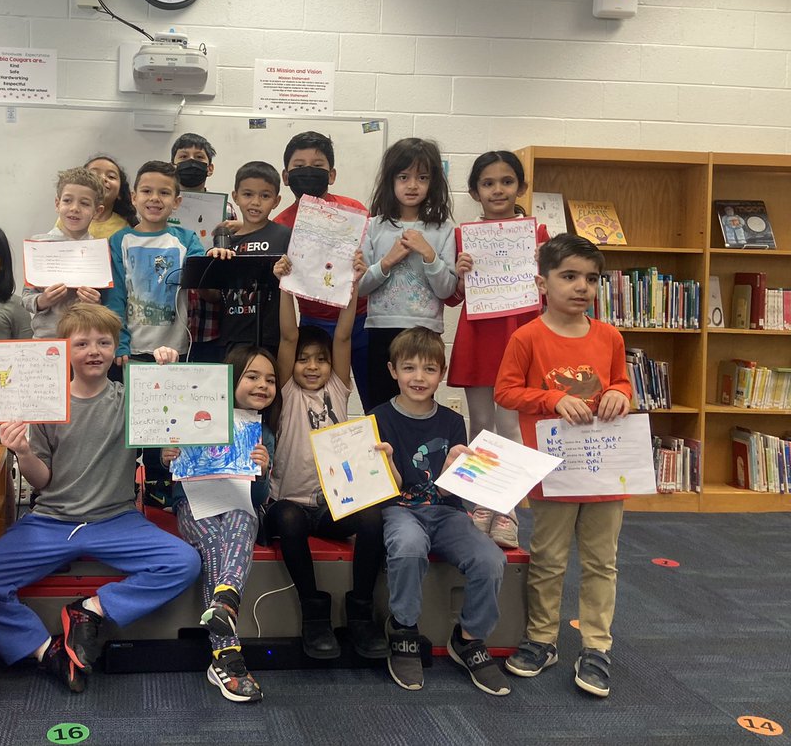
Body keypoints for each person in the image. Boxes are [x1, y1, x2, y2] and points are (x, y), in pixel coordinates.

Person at [0, 304, 201, 692]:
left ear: (116, 348)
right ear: (64, 350)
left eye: (104, 342)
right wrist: (22, 453)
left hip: (117, 520)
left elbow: (177, 412)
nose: (93, 350)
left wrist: (168, 372)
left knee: (184, 562)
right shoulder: (46, 406)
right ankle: (45, 651)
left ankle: (88, 611)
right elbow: (44, 481)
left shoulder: (131, 399)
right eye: (82, 342)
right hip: (53, 520)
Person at [495, 233, 632, 698]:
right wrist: (553, 398)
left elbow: (622, 385)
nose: (581, 287)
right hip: (552, 469)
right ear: (542, 282)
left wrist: (619, 393)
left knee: (601, 561)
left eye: (591, 279)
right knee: (549, 559)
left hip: (604, 467)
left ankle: (596, 646)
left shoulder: (609, 335)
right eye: (569, 276)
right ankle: (541, 639)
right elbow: (506, 392)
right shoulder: (527, 337)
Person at [264, 250, 387, 661]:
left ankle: (361, 610)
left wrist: (352, 285)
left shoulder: (338, 388)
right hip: (294, 503)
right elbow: (286, 337)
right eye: (304, 360)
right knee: (286, 517)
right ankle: (313, 612)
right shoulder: (286, 394)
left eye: (320, 360)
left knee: (374, 517)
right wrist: (286, 287)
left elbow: (344, 337)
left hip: (336, 502)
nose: (313, 366)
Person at [374, 328, 510, 696]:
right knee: (407, 546)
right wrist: (386, 462)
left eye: (429, 370)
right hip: (400, 509)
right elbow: (392, 487)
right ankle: (403, 630)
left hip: (445, 511)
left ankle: (468, 638)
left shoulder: (452, 421)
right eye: (409, 368)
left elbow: (449, 491)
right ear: (392, 370)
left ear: (442, 373)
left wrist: (452, 469)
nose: (419, 378)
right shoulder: (379, 417)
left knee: (490, 559)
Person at [160, 344, 279, 703]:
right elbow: (172, 479)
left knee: (244, 516)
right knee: (214, 540)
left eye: (270, 380)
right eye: (252, 376)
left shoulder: (263, 433)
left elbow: (257, 500)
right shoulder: (196, 416)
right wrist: (167, 458)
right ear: (229, 380)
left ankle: (225, 636)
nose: (262, 385)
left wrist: (262, 472)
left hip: (239, 507)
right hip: (195, 507)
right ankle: (226, 631)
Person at [447, 151, 550, 549]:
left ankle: (506, 509)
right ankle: (479, 506)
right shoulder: (463, 236)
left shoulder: (537, 235)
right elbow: (454, 298)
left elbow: (549, 295)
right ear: (475, 191)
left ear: (520, 187)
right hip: (479, 338)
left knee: (511, 428)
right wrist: (460, 274)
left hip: (520, 338)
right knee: (480, 424)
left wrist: (543, 269)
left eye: (506, 182)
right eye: (488, 183)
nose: (498, 190)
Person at [273, 131, 373, 409]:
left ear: (332, 174)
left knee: (374, 398)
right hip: (313, 323)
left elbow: (373, 260)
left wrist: (363, 266)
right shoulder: (280, 225)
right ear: (285, 176)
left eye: (317, 167)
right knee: (316, 402)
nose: (308, 172)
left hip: (362, 318)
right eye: (299, 166)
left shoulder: (354, 211)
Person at [358, 137, 456, 409]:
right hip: (381, 329)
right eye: (404, 177)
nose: (412, 185)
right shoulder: (373, 226)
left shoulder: (443, 229)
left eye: (422, 177)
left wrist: (429, 255)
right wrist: (387, 262)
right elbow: (359, 287)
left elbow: (447, 289)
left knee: (419, 404)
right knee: (380, 406)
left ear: (432, 182)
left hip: (425, 330)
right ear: (391, 180)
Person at [105, 160, 205, 363]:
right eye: (147, 191)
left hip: (175, 350)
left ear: (176, 202)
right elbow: (115, 297)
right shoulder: (119, 241)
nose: (155, 198)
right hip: (131, 349)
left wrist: (217, 256)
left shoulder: (187, 239)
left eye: (164, 193)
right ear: (134, 197)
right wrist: (120, 342)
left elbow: (203, 276)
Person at [207, 161, 292, 357]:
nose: (255, 202)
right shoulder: (225, 243)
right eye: (248, 194)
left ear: (276, 201)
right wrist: (209, 268)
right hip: (231, 336)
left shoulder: (283, 235)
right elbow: (214, 295)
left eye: (265, 196)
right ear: (235, 196)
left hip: (271, 337)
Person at [170, 132, 232, 363]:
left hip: (211, 320)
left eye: (199, 157)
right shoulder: (161, 208)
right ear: (172, 165)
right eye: (183, 156)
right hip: (170, 319)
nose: (191, 162)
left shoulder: (227, 212)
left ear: (210, 168)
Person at [23, 167, 106, 338]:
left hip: (85, 339)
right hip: (46, 338)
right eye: (68, 200)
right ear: (57, 204)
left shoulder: (100, 251)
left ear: (97, 211)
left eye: (84, 203)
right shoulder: (40, 245)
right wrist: (43, 300)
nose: (75, 208)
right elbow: (26, 297)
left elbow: (109, 301)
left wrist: (96, 302)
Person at [83, 154, 138, 239]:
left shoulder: (125, 228)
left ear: (120, 193)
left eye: (111, 176)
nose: (102, 178)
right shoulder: (69, 216)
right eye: (93, 174)